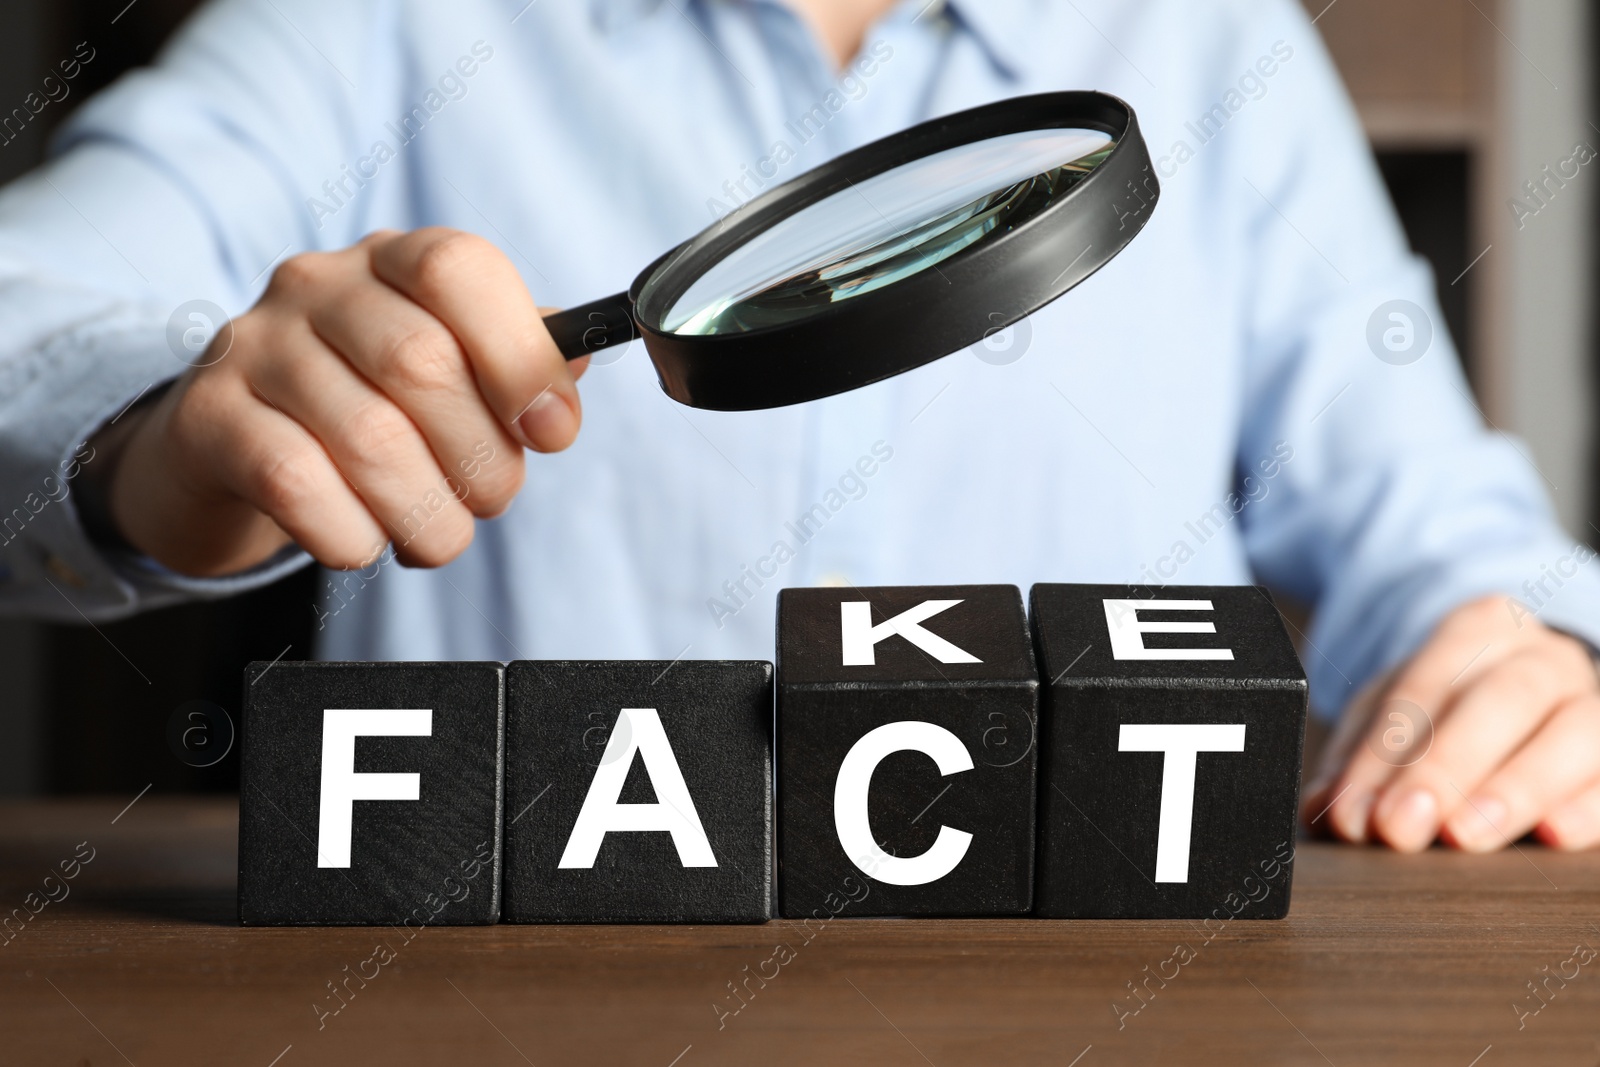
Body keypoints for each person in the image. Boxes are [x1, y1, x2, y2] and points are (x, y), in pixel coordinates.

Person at [0, 0, 1596, 854]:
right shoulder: (380, 23)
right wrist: (163, 441)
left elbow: (1435, 529)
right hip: (501, 1008)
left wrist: (1538, 657)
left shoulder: (1210, 40)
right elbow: (32, 309)